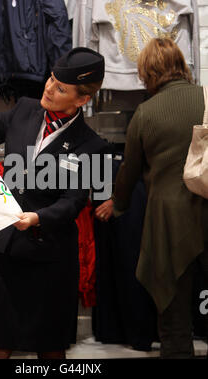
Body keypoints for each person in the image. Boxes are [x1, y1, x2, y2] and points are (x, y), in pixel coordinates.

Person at [0, 47, 110, 359]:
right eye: (52, 80)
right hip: (5, 252)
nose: (49, 89)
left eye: (61, 88)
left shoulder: (91, 145)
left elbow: (72, 203)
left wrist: (35, 218)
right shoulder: (24, 110)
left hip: (50, 260)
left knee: (50, 350)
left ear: (82, 99)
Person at [108, 37, 208, 358]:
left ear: (148, 72)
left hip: (169, 222)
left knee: (174, 317)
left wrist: (118, 204)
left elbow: (130, 170)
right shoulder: (206, 98)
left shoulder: (145, 113)